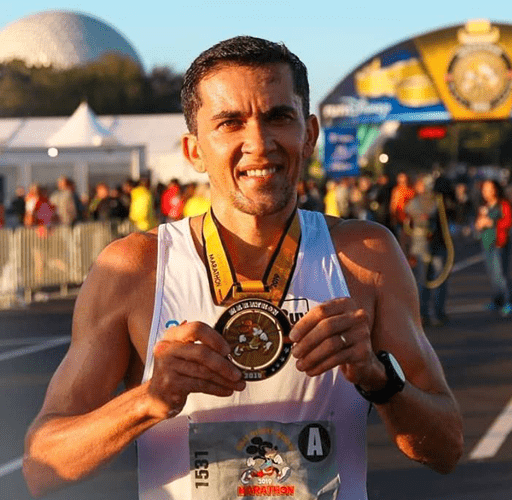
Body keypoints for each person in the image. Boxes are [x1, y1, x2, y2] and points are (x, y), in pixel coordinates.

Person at [23, 36, 463, 500]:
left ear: (309, 134)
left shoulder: (366, 255)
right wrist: (149, 398)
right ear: (193, 151)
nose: (258, 143)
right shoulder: (136, 268)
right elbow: (42, 466)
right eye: (230, 122)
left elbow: (446, 447)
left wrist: (378, 377)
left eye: (278, 117)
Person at [404, 174, 450, 326]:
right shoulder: (416, 203)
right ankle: (422, 314)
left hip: (438, 244)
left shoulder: (440, 202)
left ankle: (437, 312)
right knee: (423, 280)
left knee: (439, 279)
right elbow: (408, 218)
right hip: (421, 246)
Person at [475, 178, 512, 316]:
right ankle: (497, 300)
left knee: (501, 273)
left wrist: (492, 222)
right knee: (493, 274)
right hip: (487, 242)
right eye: (484, 189)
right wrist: (479, 224)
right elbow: (478, 223)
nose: (487, 192)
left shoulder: (503, 204)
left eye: (490, 189)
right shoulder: (484, 206)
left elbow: (508, 221)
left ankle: (509, 301)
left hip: (499, 242)